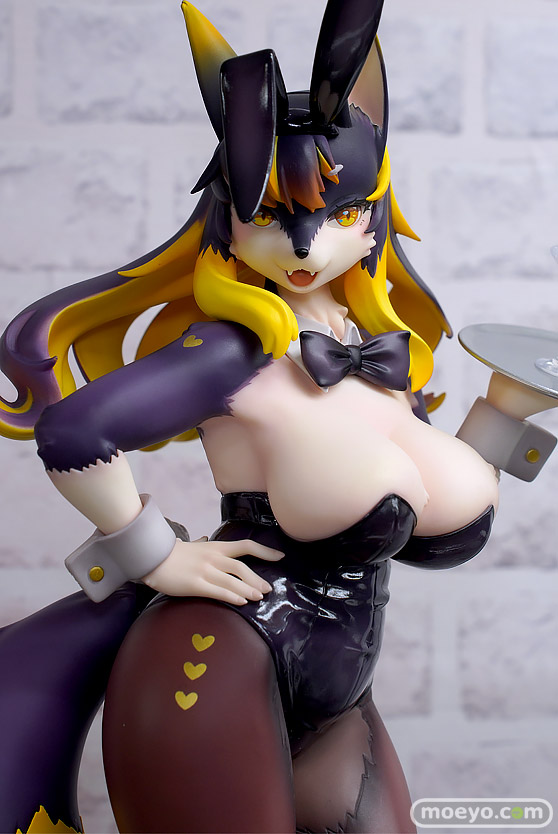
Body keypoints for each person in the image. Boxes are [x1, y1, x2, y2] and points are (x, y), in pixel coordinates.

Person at [1, 1, 534, 832]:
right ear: (228, 217)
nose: (306, 243)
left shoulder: (370, 344)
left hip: (341, 695)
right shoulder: (232, 353)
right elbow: (73, 432)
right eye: (271, 216)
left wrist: (509, 414)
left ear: (375, 213)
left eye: (339, 211)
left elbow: (420, 507)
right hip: (217, 657)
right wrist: (154, 556)